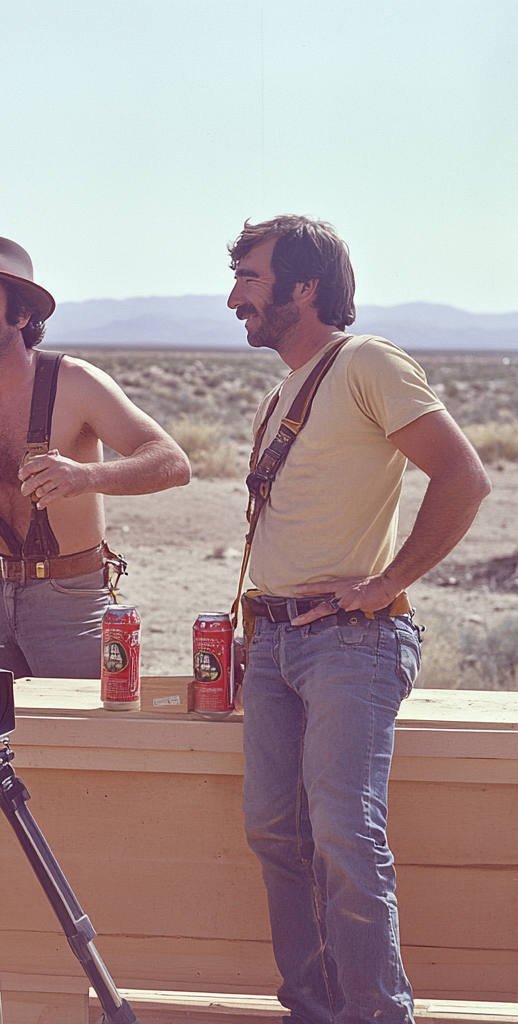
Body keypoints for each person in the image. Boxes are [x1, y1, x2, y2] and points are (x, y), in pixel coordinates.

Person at [227, 216, 491, 1024]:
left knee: (343, 835)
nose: (234, 297)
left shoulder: (368, 362)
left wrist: (388, 582)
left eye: (251, 279)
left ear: (305, 289)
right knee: (276, 835)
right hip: (272, 641)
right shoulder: (284, 392)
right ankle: (311, 1009)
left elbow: (464, 477)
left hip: (351, 641)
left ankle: (377, 1017)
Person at [0, 235, 190, 678]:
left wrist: (86, 477)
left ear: (22, 313)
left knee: (79, 736)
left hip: (71, 601)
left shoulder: (75, 383)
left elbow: (172, 462)